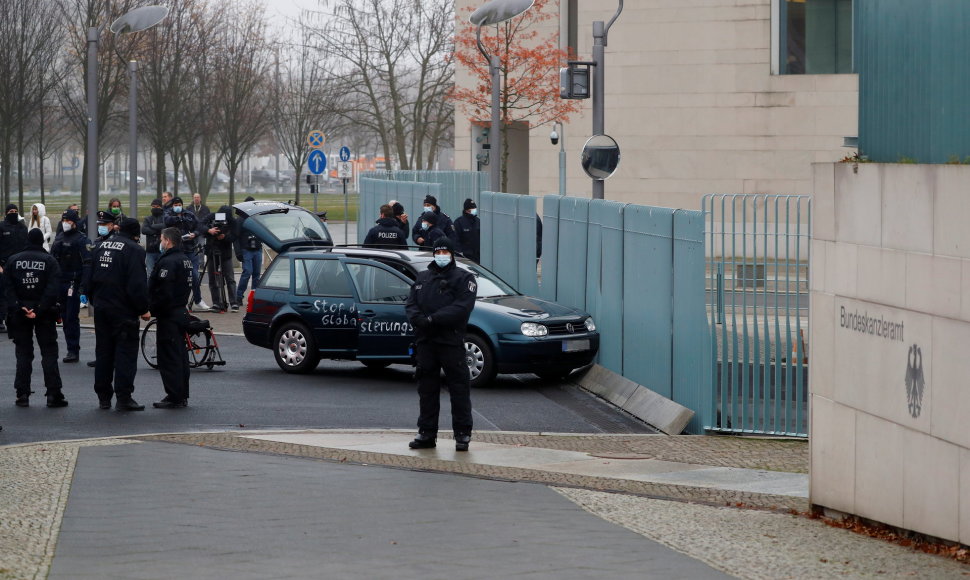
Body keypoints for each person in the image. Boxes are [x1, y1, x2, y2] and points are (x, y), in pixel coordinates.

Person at [405, 238, 477, 451]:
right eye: (439, 251)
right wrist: (419, 320)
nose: (442, 255)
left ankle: (462, 434)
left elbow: (462, 308)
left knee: (459, 388)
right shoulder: (423, 277)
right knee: (426, 389)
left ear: (452, 254)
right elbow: (411, 304)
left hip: (450, 341)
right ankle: (426, 433)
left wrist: (433, 319)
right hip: (426, 342)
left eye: (446, 251)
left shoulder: (464, 278)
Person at [87, 218, 151, 411]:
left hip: (102, 308)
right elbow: (137, 285)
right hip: (123, 311)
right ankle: (124, 397)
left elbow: (89, 276)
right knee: (125, 354)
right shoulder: (135, 250)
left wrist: (94, 300)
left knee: (104, 352)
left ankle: (103, 396)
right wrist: (143, 309)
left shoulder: (100, 246)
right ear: (136, 234)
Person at [6, 229, 67, 408]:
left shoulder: (13, 260)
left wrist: (19, 307)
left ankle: (22, 393)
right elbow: (53, 289)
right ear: (41, 242)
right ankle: (53, 393)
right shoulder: (50, 261)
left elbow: (7, 288)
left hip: (19, 312)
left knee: (23, 354)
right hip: (45, 313)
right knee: (49, 353)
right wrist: (39, 309)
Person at [149, 227, 194, 409]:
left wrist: (151, 309)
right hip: (181, 311)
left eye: (161, 239)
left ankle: (174, 395)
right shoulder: (185, 260)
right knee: (180, 356)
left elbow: (163, 291)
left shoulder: (168, 262)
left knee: (169, 357)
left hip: (168, 314)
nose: (160, 242)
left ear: (167, 241)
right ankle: (181, 393)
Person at [50, 209, 92, 363]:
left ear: (74, 223)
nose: (65, 223)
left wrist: (84, 286)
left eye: (68, 221)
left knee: (71, 317)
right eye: (64, 220)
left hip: (73, 282)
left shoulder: (82, 240)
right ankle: (70, 348)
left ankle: (73, 350)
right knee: (63, 317)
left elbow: (87, 263)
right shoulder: (59, 237)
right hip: (60, 282)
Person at [164, 197, 209, 311]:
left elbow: (199, 226)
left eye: (179, 204)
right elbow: (168, 221)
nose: (177, 206)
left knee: (194, 275)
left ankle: (198, 300)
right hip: (176, 250)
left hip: (190, 249)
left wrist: (195, 233)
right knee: (177, 278)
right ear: (172, 206)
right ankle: (178, 302)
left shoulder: (189, 214)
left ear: (182, 205)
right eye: (175, 205)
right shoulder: (168, 214)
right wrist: (179, 219)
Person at [203, 205, 238, 312]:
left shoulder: (232, 221)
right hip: (211, 251)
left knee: (230, 278)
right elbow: (199, 226)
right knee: (213, 279)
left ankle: (234, 302)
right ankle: (216, 303)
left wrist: (225, 237)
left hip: (225, 253)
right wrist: (209, 230)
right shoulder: (211, 217)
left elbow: (235, 235)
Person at [0, 204, 28, 333]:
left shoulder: (22, 227)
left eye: (16, 211)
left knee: (19, 294)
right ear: (6, 213)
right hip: (4, 266)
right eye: (11, 211)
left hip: (20, 266)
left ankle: (16, 319)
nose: (14, 213)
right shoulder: (1, 226)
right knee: (3, 294)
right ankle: (1, 320)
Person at [234, 196, 262, 306]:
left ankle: (254, 297)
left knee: (257, 274)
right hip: (246, 250)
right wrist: (238, 252)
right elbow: (235, 237)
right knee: (247, 272)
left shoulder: (258, 218)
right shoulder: (240, 219)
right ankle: (239, 296)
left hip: (257, 249)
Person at [142, 198, 166, 275]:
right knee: (150, 273)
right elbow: (144, 230)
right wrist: (159, 230)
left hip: (163, 250)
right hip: (150, 251)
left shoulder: (165, 217)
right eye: (153, 206)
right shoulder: (148, 218)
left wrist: (152, 226)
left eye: (157, 206)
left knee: (163, 273)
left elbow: (166, 226)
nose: (155, 208)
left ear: (161, 207)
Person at [454, 198, 480, 263]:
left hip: (477, 257)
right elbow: (455, 239)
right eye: (472, 209)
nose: (474, 210)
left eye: (475, 208)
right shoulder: (459, 222)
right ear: (467, 210)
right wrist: (459, 253)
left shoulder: (478, 221)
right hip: (465, 257)